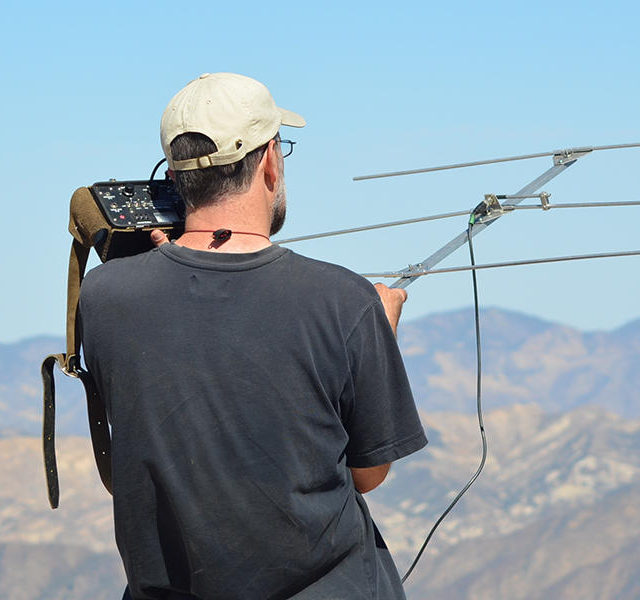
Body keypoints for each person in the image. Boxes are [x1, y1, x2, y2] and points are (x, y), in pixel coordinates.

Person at [78, 72, 427, 600]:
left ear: (172, 172)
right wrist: (381, 328)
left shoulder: (103, 297)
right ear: (269, 160)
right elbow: (368, 474)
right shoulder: (346, 302)